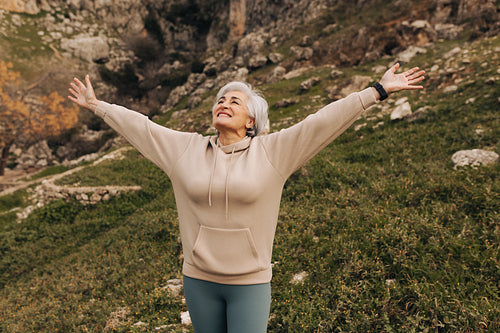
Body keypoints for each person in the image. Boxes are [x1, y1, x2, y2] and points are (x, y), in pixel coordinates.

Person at [68, 62, 425, 333]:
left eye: (234, 101)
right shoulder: (186, 150)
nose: (224, 103)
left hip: (249, 283)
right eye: (220, 99)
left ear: (251, 120)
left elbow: (321, 122)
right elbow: (142, 126)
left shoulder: (273, 152)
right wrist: (98, 106)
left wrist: (376, 90)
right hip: (198, 280)